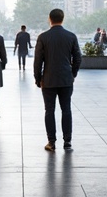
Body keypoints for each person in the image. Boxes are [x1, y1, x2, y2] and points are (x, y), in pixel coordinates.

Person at [34, 8, 82, 151]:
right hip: (66, 80)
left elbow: (38, 61)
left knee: (49, 110)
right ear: (63, 18)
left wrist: (38, 78)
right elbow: (78, 58)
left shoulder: (43, 37)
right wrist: (72, 73)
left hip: (48, 80)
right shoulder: (71, 36)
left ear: (50, 18)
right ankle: (67, 142)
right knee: (66, 109)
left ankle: (51, 142)